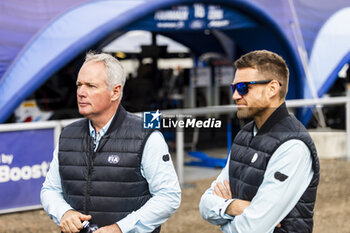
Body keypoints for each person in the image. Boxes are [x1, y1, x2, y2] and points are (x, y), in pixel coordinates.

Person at [41, 52, 181, 233]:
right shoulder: (68, 134)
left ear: (115, 92)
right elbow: (50, 189)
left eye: (91, 86)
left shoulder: (147, 136)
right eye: (79, 85)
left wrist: (120, 228)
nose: (81, 93)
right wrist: (64, 212)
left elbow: (168, 196)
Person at [199, 50, 319, 233]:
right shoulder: (244, 135)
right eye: (234, 88)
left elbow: (252, 228)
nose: (235, 96)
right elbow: (205, 205)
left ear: (272, 88)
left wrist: (223, 218)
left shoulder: (293, 146)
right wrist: (235, 207)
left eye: (243, 88)